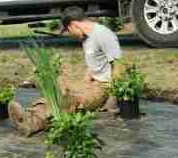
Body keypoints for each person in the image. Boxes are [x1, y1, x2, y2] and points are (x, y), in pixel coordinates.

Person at [10, 7, 123, 135]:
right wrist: (83, 84)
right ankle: (30, 113)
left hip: (103, 87)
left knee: (70, 99)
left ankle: (33, 122)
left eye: (68, 31)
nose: (70, 34)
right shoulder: (87, 38)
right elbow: (93, 64)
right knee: (58, 86)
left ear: (73, 25)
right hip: (91, 83)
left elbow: (119, 66)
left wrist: (112, 99)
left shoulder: (104, 35)